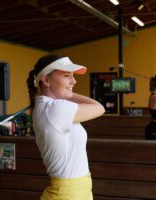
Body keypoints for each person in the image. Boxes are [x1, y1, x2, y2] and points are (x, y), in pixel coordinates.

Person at [26, 54, 105, 200]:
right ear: (46, 80)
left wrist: (66, 91)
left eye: (73, 76)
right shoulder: (55, 109)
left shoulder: (51, 107)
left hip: (78, 189)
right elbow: (99, 108)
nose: (73, 81)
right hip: (68, 194)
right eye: (67, 76)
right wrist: (69, 94)